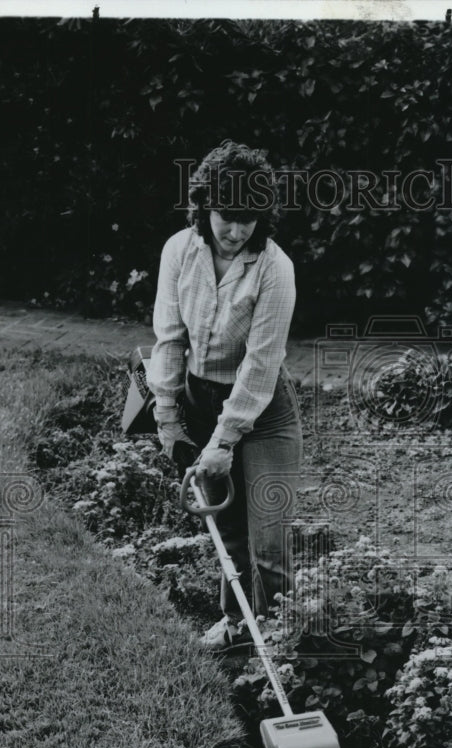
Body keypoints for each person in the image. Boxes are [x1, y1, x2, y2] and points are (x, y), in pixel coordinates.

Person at [147, 140, 302, 650]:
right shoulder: (179, 251)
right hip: (199, 398)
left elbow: (260, 365)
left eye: (249, 219)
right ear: (204, 207)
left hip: (262, 411)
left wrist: (225, 440)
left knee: (270, 538)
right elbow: (170, 339)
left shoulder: (275, 270)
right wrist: (168, 415)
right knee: (229, 530)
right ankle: (237, 629)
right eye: (226, 216)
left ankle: (275, 644)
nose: (236, 231)